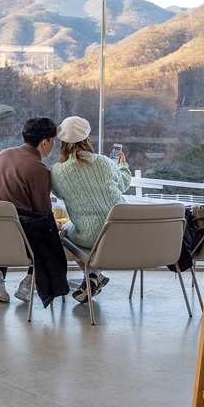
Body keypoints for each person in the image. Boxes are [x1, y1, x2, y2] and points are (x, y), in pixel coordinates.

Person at [50, 116, 131, 303]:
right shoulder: (103, 162)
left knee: (65, 232)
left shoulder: (57, 172)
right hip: (124, 231)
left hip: (89, 237)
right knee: (91, 229)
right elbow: (124, 184)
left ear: (62, 143)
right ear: (87, 140)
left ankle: (91, 276)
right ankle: (93, 277)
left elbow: (59, 193)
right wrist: (122, 165)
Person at [0, 117, 58, 303]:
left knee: (7, 220)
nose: (55, 145)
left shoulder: (3, 154)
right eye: (54, 141)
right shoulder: (39, 169)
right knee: (47, 233)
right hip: (16, 237)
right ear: (45, 142)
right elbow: (43, 213)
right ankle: (28, 284)